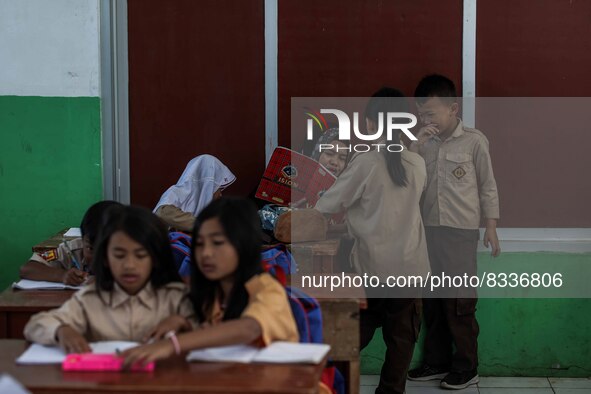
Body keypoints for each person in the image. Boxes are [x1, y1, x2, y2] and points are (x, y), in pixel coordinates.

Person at [314, 88, 430, 394]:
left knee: (353, 334)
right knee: (401, 340)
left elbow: (326, 206)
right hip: (410, 270)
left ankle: (327, 384)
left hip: (372, 270)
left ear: (368, 124)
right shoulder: (417, 164)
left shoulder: (366, 163)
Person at [120, 197, 298, 366]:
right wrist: (184, 322)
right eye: (199, 243)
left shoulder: (267, 288)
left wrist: (172, 344)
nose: (205, 253)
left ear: (245, 245)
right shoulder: (209, 293)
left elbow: (249, 328)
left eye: (217, 243)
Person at [407, 74, 500, 390]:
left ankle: (466, 366)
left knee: (458, 301)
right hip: (427, 231)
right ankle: (436, 362)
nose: (426, 119)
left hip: (459, 233)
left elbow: (487, 185)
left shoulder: (474, 141)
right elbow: (408, 183)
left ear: (453, 109)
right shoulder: (422, 144)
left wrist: (490, 225)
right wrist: (414, 147)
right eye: (422, 114)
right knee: (431, 301)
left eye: (431, 113)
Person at [23, 205, 194, 353]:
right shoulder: (91, 299)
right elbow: (35, 325)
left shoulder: (176, 297)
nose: (129, 265)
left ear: (156, 259)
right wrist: (61, 330)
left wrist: (183, 322)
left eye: (140, 256)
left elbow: (213, 330)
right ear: (104, 258)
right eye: (119, 255)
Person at [19, 200, 122, 286]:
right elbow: (27, 269)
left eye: (107, 250)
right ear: (82, 241)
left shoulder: (134, 254)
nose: (98, 258)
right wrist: (62, 275)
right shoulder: (71, 250)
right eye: (91, 249)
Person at [154, 154, 236, 232]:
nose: (220, 195)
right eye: (219, 189)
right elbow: (162, 213)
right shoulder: (176, 192)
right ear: (210, 185)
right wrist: (202, 225)